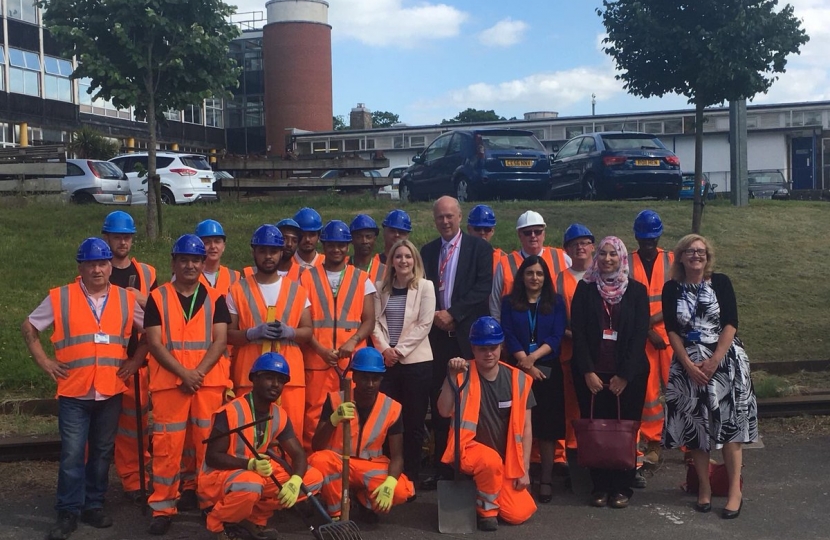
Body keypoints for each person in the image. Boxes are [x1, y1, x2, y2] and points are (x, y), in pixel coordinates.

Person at [22, 237, 145, 540]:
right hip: (74, 390)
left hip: (110, 389)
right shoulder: (61, 297)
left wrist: (135, 361)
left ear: (109, 267)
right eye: (90, 264)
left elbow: (152, 333)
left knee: (102, 453)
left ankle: (94, 505)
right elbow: (29, 327)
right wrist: (46, 363)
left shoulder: (126, 299)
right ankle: (68, 510)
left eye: (102, 263)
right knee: (73, 454)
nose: (97, 269)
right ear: (80, 267)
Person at [661, 234, 757, 519]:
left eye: (701, 251)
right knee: (695, 429)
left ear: (708, 256)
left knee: (729, 428)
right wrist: (688, 364)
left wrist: (714, 360)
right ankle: (703, 487)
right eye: (690, 251)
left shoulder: (721, 282)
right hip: (686, 365)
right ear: (680, 256)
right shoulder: (671, 288)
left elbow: (731, 323)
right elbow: (671, 330)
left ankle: (733, 492)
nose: (696, 255)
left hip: (724, 362)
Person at [144, 234, 231, 535]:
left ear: (203, 263)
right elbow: (154, 343)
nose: (191, 265)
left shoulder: (216, 297)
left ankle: (208, 500)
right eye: (185, 260)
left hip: (207, 384)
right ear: (174, 262)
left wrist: (198, 374)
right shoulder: (158, 297)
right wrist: (184, 373)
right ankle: (163, 506)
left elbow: (220, 340)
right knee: (168, 448)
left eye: (196, 260)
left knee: (207, 444)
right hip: (171, 385)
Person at [200, 352, 323, 540]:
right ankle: (218, 524)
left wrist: (295, 481)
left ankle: (254, 520)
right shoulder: (231, 411)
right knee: (251, 483)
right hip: (220, 477)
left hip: (257, 474)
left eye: (281, 380)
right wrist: (249, 465)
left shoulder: (279, 415)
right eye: (269, 377)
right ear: (254, 379)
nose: (275, 384)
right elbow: (213, 457)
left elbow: (298, 454)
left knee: (313, 478)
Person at [570, 236, 649, 509]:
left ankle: (622, 486)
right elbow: (577, 333)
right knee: (597, 430)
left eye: (613, 254)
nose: (607, 259)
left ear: (622, 258)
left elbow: (640, 335)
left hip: (629, 375)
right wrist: (588, 372)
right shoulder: (585, 289)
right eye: (602, 254)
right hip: (593, 375)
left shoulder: (636, 292)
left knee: (624, 428)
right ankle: (599, 486)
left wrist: (625, 375)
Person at [420, 196, 493, 490]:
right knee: (441, 406)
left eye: (450, 216)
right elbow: (421, 289)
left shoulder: (479, 249)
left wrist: (454, 313)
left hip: (467, 338)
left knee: (473, 406)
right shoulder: (428, 251)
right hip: (437, 339)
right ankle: (442, 467)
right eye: (440, 217)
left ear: (460, 216)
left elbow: (482, 288)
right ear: (435, 220)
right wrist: (435, 316)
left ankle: (472, 466)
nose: (446, 222)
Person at [438, 317, 537, 531]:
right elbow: (444, 410)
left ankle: (478, 495)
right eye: (483, 348)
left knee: (520, 513)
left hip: (506, 461)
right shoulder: (461, 372)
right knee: (490, 461)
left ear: (501, 347)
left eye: (493, 347)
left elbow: (527, 429)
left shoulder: (518, 379)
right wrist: (450, 377)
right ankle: (486, 512)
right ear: (473, 349)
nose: (489, 353)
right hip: (467, 451)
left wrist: (525, 469)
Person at [227, 224, 313, 445]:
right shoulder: (237, 290)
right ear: (254, 252)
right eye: (262, 251)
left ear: (281, 252)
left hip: (289, 379)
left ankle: (289, 478)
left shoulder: (297, 290)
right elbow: (229, 335)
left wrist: (290, 332)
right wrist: (251, 333)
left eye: (273, 251)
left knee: (290, 438)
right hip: (250, 377)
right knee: (248, 438)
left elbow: (308, 331)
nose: (268, 256)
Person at [308, 348, 415, 523]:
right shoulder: (335, 400)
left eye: (375, 378)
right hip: (339, 462)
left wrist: (389, 484)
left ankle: (363, 501)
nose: (370, 384)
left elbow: (397, 457)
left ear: (381, 378)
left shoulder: (392, 408)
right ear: (354, 376)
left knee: (401, 490)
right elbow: (316, 446)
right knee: (319, 460)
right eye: (365, 377)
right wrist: (333, 420)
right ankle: (336, 513)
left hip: (370, 466)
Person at [300, 220, 376, 450]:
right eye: (331, 245)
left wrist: (353, 341)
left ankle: (348, 461)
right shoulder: (305, 278)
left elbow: (369, 320)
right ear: (323, 245)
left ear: (348, 246)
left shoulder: (361, 278)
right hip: (317, 360)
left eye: (341, 245)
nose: (336, 250)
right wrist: (320, 349)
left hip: (352, 361)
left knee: (351, 411)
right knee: (314, 412)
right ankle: (315, 462)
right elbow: (301, 321)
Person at [100, 210, 157, 504]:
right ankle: (89, 485)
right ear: (106, 237)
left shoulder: (147, 274)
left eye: (127, 237)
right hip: (102, 362)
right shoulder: (95, 269)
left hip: (136, 361)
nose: (122, 242)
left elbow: (159, 319)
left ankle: (136, 482)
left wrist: (144, 300)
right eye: (117, 236)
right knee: (97, 428)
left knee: (135, 426)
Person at [500, 255, 566, 504]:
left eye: (539, 273)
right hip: (517, 369)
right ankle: (520, 475)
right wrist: (524, 363)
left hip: (548, 369)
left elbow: (557, 335)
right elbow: (507, 333)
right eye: (530, 273)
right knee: (518, 426)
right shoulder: (509, 302)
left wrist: (533, 359)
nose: (535, 278)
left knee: (547, 429)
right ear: (522, 277)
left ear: (545, 277)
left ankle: (546, 480)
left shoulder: (555, 302)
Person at [372, 238, 435, 483]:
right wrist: (386, 350)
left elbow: (425, 324)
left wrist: (399, 351)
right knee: (388, 420)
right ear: (391, 261)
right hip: (387, 364)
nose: (403, 261)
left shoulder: (426, 287)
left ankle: (410, 475)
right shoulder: (380, 288)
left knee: (413, 421)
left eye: (408, 256)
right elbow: (374, 323)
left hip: (416, 364)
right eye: (398, 256)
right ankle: (387, 470)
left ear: (415, 260)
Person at [630, 210, 674, 467]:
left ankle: (689, 444)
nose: (649, 245)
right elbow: (624, 301)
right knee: (648, 394)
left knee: (678, 389)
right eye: (644, 240)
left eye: (653, 240)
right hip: (641, 338)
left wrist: (655, 328)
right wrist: (647, 330)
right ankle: (653, 441)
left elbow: (678, 297)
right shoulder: (626, 261)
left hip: (670, 337)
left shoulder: (672, 260)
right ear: (637, 237)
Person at [553, 224, 595, 479]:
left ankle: (598, 450)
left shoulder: (604, 275)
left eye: (585, 242)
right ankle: (571, 454)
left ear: (592, 246)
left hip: (602, 353)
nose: (580, 247)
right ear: (567, 249)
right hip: (569, 353)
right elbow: (557, 317)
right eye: (574, 243)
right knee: (570, 407)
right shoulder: (559, 279)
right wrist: (576, 338)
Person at [490, 211, 571, 320]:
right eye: (528, 232)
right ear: (520, 235)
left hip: (553, 327)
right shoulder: (505, 263)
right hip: (516, 329)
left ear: (544, 234)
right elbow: (495, 303)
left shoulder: (561, 257)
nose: (533, 236)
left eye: (537, 232)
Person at [195, 219, 241, 296]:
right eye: (207, 242)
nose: (213, 246)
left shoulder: (235, 278)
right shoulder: (187, 275)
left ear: (223, 246)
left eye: (217, 241)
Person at [466, 204, 503, 274]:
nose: (482, 233)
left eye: (487, 229)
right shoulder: (460, 256)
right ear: (469, 229)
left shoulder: (503, 258)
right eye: (478, 229)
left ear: (492, 231)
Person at [350, 214, 386, 283]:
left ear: (374, 239)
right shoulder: (342, 265)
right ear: (352, 239)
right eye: (359, 237)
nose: (364, 241)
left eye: (368, 237)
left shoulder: (384, 270)